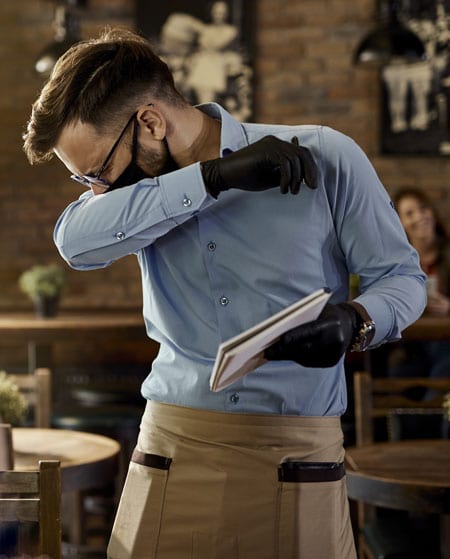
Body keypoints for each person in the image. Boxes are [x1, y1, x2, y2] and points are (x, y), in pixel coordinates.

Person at [22, 27, 426, 559]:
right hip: (173, 446)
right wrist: (213, 177)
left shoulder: (327, 156)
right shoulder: (144, 201)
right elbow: (74, 242)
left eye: (97, 172)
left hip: (298, 452)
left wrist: (357, 320)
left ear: (149, 120)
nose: (97, 191)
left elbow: (402, 278)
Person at [387, 187, 450, 385]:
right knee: (400, 370)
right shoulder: (396, 261)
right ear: (401, 223)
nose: (419, 217)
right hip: (408, 343)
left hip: (445, 339)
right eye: (409, 213)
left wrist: (448, 307)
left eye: (423, 209)